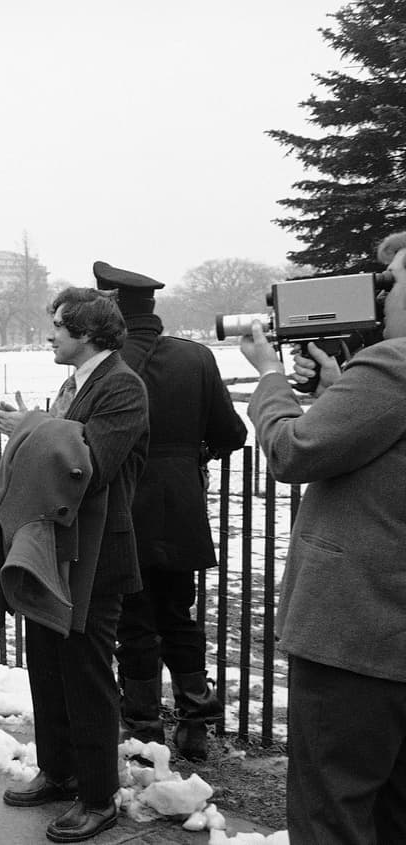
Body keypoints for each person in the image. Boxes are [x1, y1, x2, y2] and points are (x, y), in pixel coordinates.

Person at [240, 232, 406, 844]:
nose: (381, 290)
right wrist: (339, 390)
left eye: (393, 278)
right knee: (393, 812)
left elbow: (293, 450)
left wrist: (269, 376)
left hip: (360, 636)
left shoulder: (394, 365)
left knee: (328, 812)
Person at [0, 287, 148, 843]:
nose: (50, 334)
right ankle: (58, 771)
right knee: (48, 668)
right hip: (55, 551)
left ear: (87, 332)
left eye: (58, 326)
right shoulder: (73, 383)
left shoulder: (123, 385)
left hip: (97, 558)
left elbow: (92, 463)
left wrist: (28, 427)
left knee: (86, 675)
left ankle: (99, 797)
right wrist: (29, 429)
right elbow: (56, 452)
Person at [94, 261, 248, 761]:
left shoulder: (107, 363)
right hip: (181, 507)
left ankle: (142, 726)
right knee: (179, 616)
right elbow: (232, 435)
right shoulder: (196, 357)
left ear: (112, 307)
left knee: (134, 620)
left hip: (124, 509)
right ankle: (195, 723)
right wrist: (190, 455)